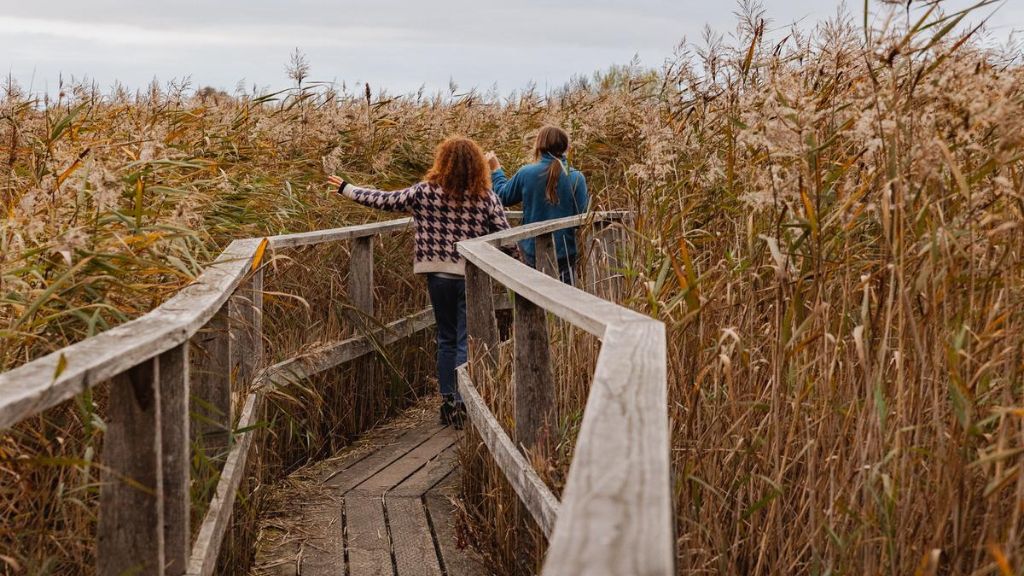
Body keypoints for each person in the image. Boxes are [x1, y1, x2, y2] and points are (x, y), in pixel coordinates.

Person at [326, 137, 511, 427]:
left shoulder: (425, 192)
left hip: (437, 274)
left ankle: (449, 399)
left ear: (443, 162)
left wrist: (346, 188)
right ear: (477, 166)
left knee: (447, 338)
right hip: (470, 275)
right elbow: (504, 233)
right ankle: (464, 400)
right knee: (465, 338)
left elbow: (385, 200)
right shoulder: (485, 196)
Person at [487, 125, 588, 284]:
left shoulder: (527, 172)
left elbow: (502, 197)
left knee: (532, 302)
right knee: (564, 301)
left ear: (539, 146)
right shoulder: (576, 176)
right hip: (565, 254)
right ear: (566, 147)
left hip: (531, 253)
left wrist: (496, 169)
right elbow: (582, 213)